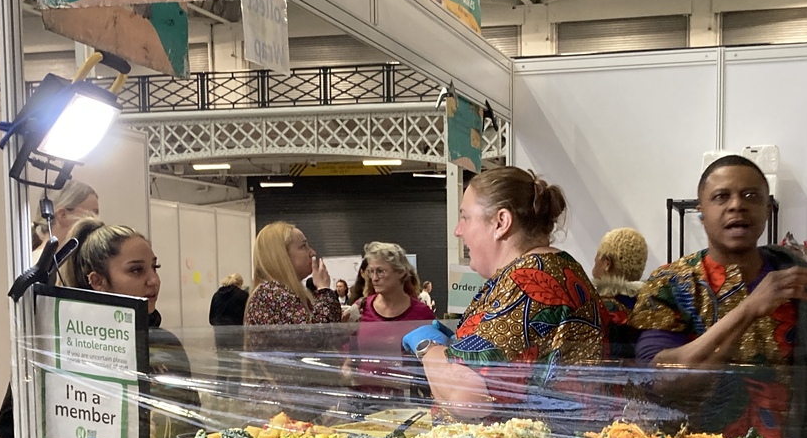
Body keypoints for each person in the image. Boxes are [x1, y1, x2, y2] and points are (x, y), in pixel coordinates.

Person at [629, 155, 807, 438]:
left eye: (751, 196)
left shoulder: (796, 281)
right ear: (701, 212)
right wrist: (748, 309)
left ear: (767, 209)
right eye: (721, 197)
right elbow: (660, 379)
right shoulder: (671, 284)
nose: (736, 205)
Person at [401, 166, 605, 422]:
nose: (458, 230)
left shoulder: (528, 279)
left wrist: (428, 347)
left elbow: (466, 397)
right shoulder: (551, 268)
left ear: (501, 223)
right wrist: (458, 347)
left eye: (465, 217)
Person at [59, 218, 200, 438]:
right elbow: (11, 427)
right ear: (98, 281)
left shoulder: (164, 344)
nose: (153, 280)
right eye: (136, 270)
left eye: (155, 267)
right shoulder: (68, 344)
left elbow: (192, 421)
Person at [347, 242, 435, 403]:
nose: (374, 278)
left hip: (407, 402)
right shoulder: (360, 309)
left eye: (380, 271)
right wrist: (347, 370)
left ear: (400, 272)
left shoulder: (421, 314)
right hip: (364, 400)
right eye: (371, 271)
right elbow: (349, 354)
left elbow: (434, 361)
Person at [244, 222, 342, 349]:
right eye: (303, 246)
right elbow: (314, 339)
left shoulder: (279, 291)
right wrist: (324, 290)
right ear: (281, 255)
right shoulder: (271, 292)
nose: (312, 252)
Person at [592, 227, 649, 361]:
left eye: (598, 255)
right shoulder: (648, 304)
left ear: (607, 263)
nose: (595, 259)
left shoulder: (599, 307)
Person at [32, 179, 99, 261]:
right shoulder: (37, 264)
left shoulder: (73, 261)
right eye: (92, 214)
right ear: (63, 215)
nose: (97, 221)